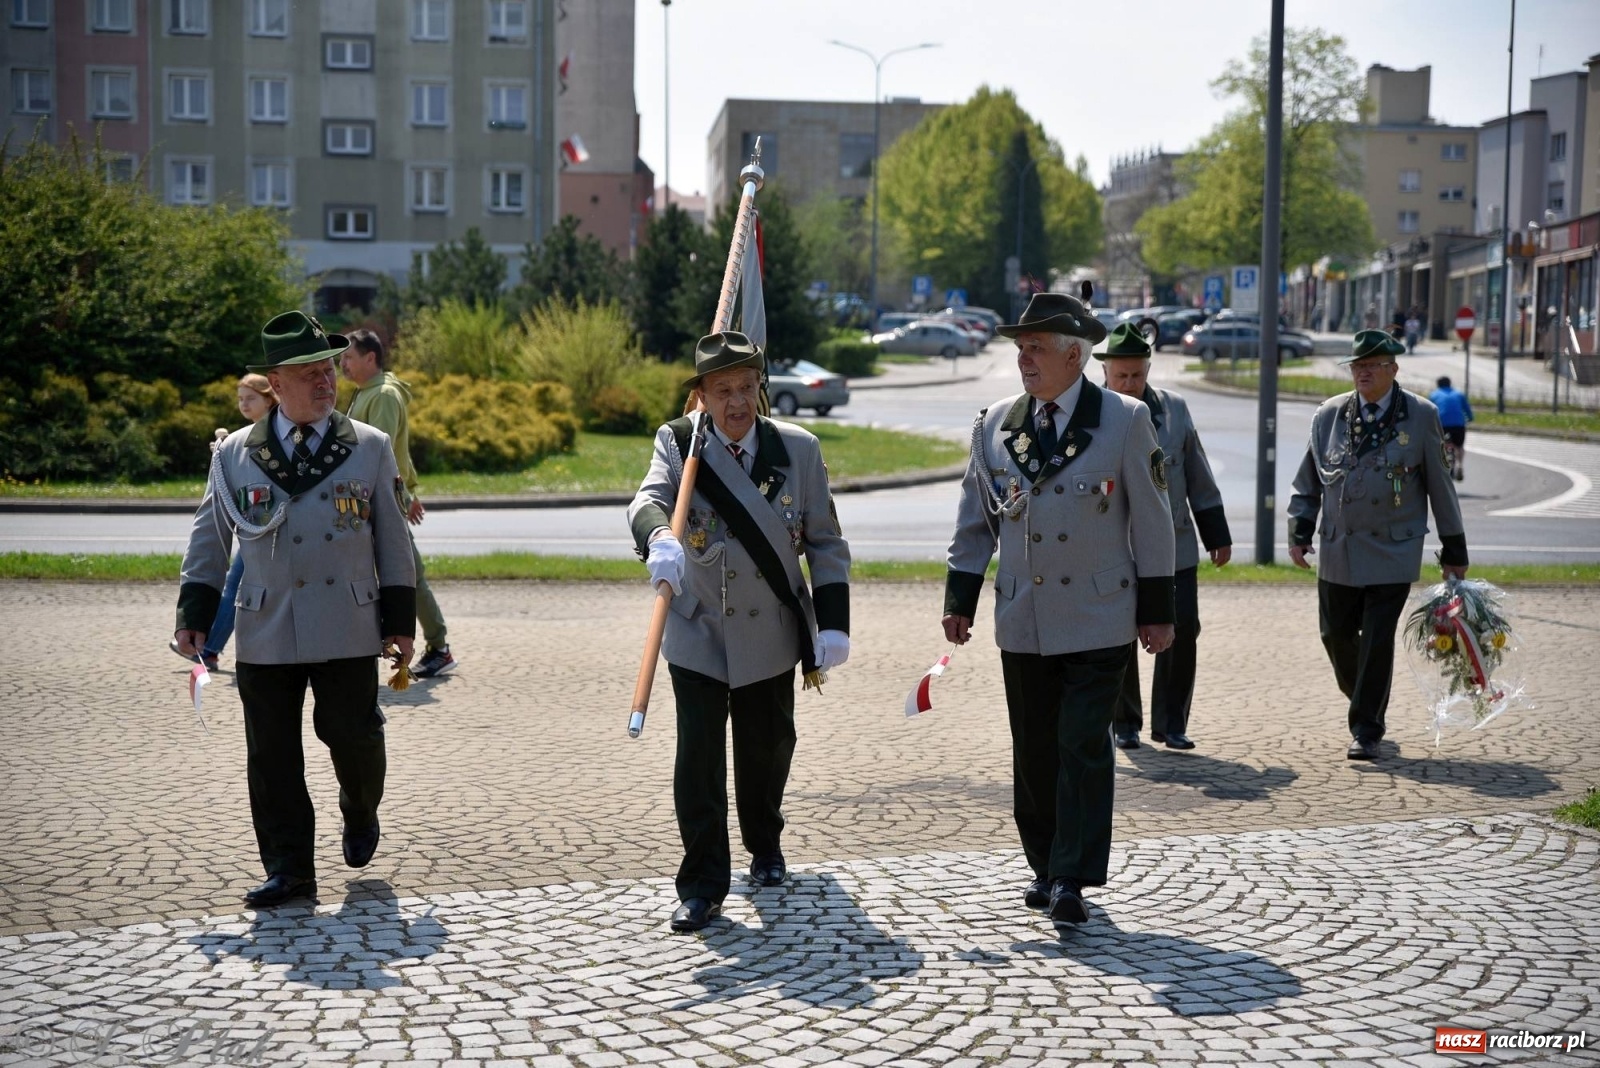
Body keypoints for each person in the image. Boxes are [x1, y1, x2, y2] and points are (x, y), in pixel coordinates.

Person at [942, 292, 1175, 926]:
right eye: (1020, 348)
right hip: (1024, 616)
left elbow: (1154, 525)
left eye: (1036, 348)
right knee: (1035, 748)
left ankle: (1072, 874)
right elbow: (975, 520)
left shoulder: (1124, 420)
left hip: (1100, 615)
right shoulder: (994, 424)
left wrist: (1158, 610)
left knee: (1082, 743)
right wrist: (959, 597)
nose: (1024, 359)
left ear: (1075, 356)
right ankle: (1044, 866)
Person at [173, 311, 416, 907]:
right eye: (309, 373)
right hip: (267, 622)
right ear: (275, 384)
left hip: (347, 621)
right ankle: (289, 869)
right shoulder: (234, 454)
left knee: (353, 737)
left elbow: (393, 539)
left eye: (329, 369)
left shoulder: (369, 447)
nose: (326, 381)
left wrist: (400, 623)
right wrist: (194, 611)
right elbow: (211, 537)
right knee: (272, 754)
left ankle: (360, 810)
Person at [627, 331, 852, 934]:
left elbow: (827, 544)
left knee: (767, 749)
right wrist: (660, 538)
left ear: (761, 389)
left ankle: (765, 841)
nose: (736, 404)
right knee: (698, 759)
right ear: (699, 396)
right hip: (698, 627)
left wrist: (833, 626)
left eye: (746, 389)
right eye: (722, 391)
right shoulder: (678, 444)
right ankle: (702, 884)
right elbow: (646, 501)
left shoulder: (797, 451)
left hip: (771, 631)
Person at [1287, 330, 1469, 762]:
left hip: (1392, 550)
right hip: (1338, 549)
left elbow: (1441, 486)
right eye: (1356, 365)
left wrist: (1454, 550)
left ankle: (1366, 728)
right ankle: (1365, 697)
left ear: (1393, 369)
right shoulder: (1329, 414)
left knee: (1377, 641)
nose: (1362, 372)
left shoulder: (1420, 416)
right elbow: (1307, 480)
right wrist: (1299, 531)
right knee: (1336, 636)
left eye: (1371, 365)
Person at [1100, 323, 1232, 751]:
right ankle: (1125, 721)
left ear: (1148, 369)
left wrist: (1217, 533)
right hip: (1115, 548)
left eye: (1137, 375)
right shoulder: (1094, 415)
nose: (1130, 384)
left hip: (1175, 543)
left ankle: (1171, 723)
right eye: (1121, 376)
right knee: (1119, 633)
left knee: (1183, 628)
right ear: (1105, 373)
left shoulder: (1174, 411)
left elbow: (1198, 474)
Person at [341, 329, 458, 678]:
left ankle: (439, 647)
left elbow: (383, 453)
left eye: (348, 357)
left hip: (383, 501)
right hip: (369, 499)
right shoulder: (366, 393)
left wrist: (402, 497)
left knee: (409, 575)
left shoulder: (385, 396)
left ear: (370, 358)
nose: (341, 364)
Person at [168, 373, 277, 672]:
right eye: (240, 399)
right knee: (234, 585)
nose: (243, 404)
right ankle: (211, 647)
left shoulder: (274, 434)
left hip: (264, 526)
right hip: (251, 525)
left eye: (250, 398)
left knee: (235, 586)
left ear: (269, 398)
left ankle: (211, 648)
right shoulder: (242, 440)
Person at [1429, 375, 1473, 481]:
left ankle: (1443, 463)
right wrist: (1470, 418)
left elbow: (1429, 410)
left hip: (1442, 424)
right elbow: (1467, 410)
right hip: (1458, 424)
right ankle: (1460, 465)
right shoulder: (1459, 394)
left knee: (1440, 445)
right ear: (1450, 383)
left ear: (1438, 385)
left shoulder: (1434, 395)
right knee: (1459, 446)